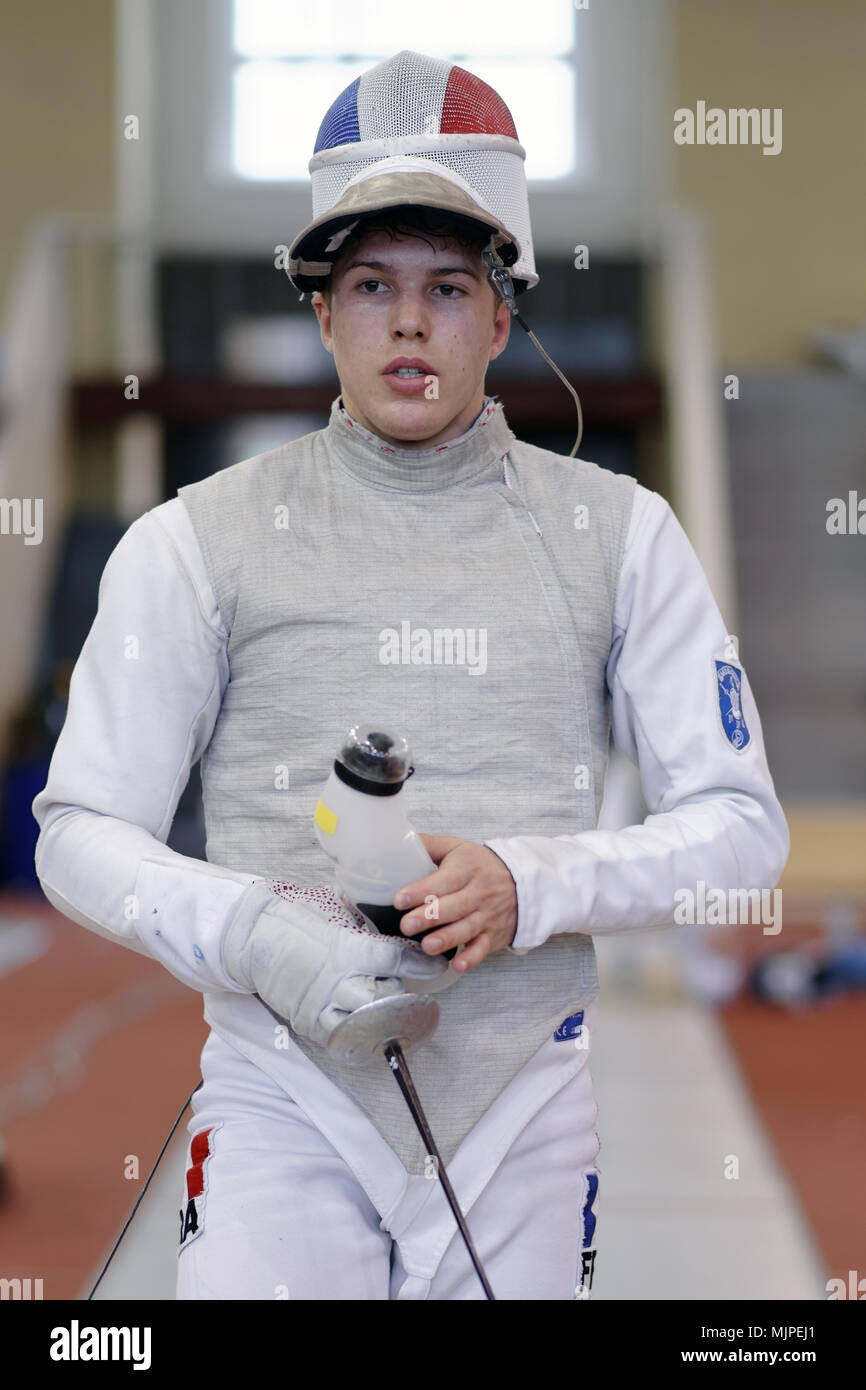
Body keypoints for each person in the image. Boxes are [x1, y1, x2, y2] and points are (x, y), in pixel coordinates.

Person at [32, 50, 788, 1301]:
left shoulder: (622, 532)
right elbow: (78, 828)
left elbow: (741, 829)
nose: (405, 320)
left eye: (446, 286)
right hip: (283, 1096)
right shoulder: (195, 539)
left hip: (519, 1102)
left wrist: (529, 882)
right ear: (320, 310)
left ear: (501, 314)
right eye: (370, 284)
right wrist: (252, 932)